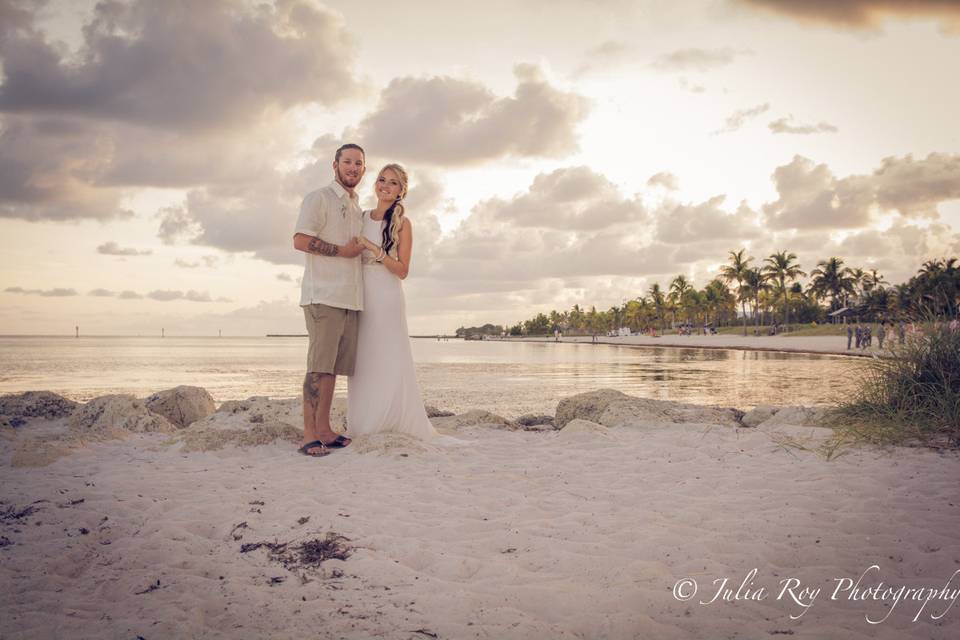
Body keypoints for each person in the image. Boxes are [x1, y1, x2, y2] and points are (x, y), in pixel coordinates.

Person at [348, 164, 439, 440]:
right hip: (360, 293)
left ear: (401, 191)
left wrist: (373, 248)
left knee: (389, 356)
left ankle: (391, 418)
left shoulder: (402, 223)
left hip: (386, 295)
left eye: (393, 183)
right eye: (381, 180)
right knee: (363, 358)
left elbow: (402, 270)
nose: (385, 186)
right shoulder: (360, 217)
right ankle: (364, 423)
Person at [292, 143, 366, 457]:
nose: (353, 168)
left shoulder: (356, 205)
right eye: (347, 162)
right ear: (334, 165)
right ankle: (309, 435)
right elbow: (300, 240)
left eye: (359, 164)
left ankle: (325, 428)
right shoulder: (318, 198)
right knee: (319, 368)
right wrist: (340, 252)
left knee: (333, 369)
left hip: (349, 298)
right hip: (323, 295)